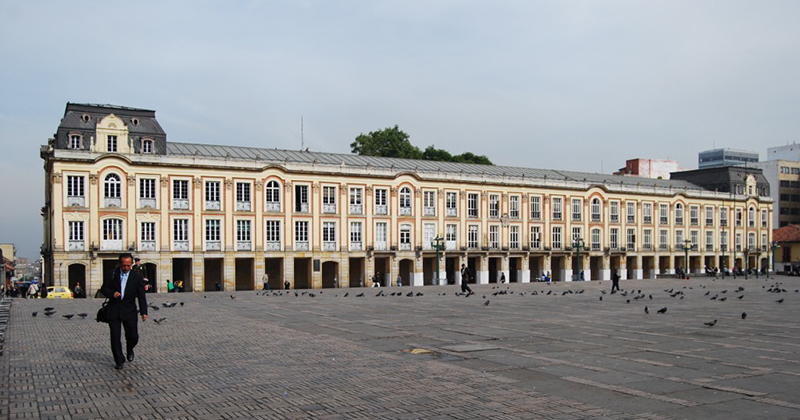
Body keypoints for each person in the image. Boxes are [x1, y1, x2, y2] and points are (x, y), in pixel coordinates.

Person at [100, 253, 148, 370]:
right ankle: (119, 360)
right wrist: (112, 293)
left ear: (131, 264)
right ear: (119, 264)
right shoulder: (112, 273)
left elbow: (141, 295)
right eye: (123, 265)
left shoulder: (136, 276)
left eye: (128, 265)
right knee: (115, 336)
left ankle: (130, 348)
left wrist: (144, 312)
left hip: (129, 310)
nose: (126, 268)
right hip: (114, 309)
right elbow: (103, 288)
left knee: (133, 336)